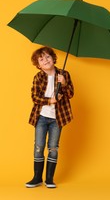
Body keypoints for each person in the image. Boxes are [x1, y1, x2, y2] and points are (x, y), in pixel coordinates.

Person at [25, 46, 74, 189]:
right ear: (38, 65)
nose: (45, 60)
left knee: (53, 147)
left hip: (58, 118)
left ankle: (49, 179)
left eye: (47, 57)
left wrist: (64, 84)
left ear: (53, 58)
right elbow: (34, 97)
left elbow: (71, 94)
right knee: (39, 146)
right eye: (41, 59)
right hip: (41, 117)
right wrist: (49, 100)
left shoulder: (63, 74)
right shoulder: (38, 77)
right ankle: (37, 178)